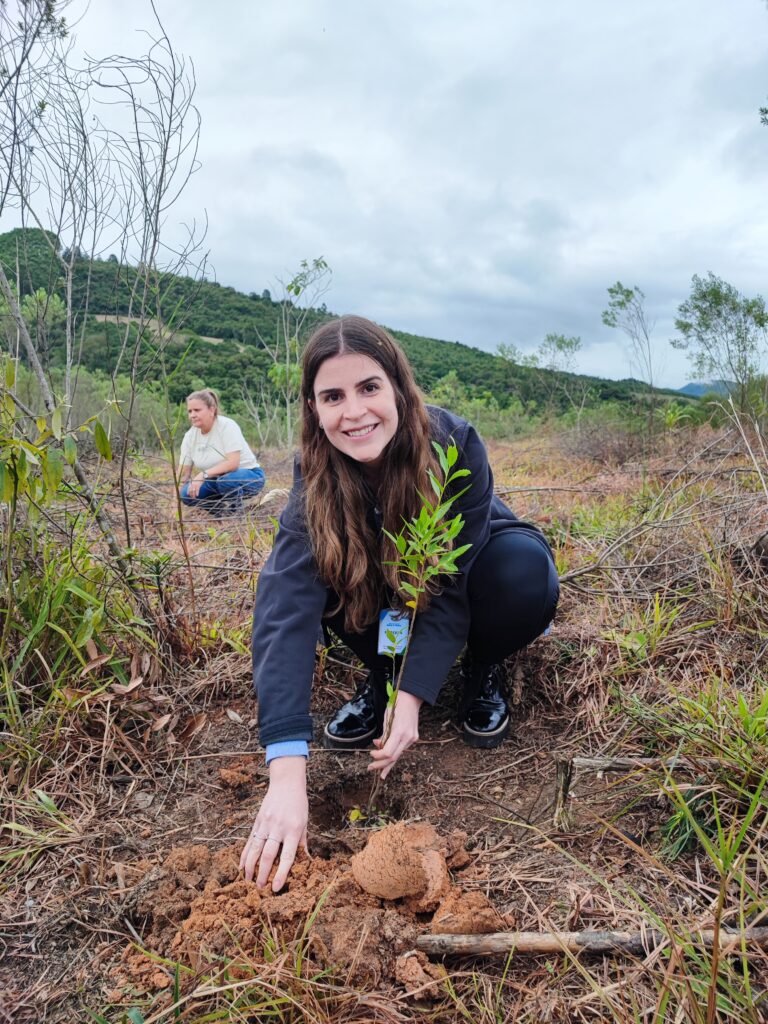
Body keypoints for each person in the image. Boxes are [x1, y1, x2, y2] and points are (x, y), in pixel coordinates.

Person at [241, 316, 559, 890]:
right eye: (331, 396)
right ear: (313, 409)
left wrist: (414, 699)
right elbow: (285, 602)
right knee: (327, 572)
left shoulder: (452, 445)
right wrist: (286, 769)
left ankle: (477, 670)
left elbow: (452, 584)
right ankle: (380, 676)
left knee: (521, 575)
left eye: (368, 388)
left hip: (467, 576)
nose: (354, 412)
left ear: (397, 387)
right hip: (385, 592)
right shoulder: (314, 472)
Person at [178, 389, 265, 516]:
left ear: (212, 410)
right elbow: (182, 476)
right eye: (190, 411)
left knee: (226, 481)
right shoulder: (190, 436)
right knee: (186, 494)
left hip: (249, 477)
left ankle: (237, 513)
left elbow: (232, 463)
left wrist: (202, 475)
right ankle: (221, 513)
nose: (192, 415)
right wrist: (175, 508)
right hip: (215, 481)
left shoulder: (227, 426)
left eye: (197, 410)